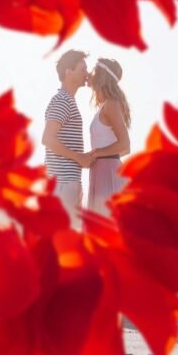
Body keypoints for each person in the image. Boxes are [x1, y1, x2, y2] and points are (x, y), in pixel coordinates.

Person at [42, 49, 92, 224]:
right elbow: (47, 139)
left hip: (67, 183)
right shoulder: (62, 100)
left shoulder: (68, 100)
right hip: (61, 184)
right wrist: (79, 157)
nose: (87, 73)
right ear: (68, 72)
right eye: (83, 69)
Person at [83, 57, 131, 217]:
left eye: (93, 70)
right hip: (101, 169)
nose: (89, 74)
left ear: (101, 75)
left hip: (108, 172)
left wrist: (96, 154)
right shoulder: (105, 106)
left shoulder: (111, 105)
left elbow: (125, 145)